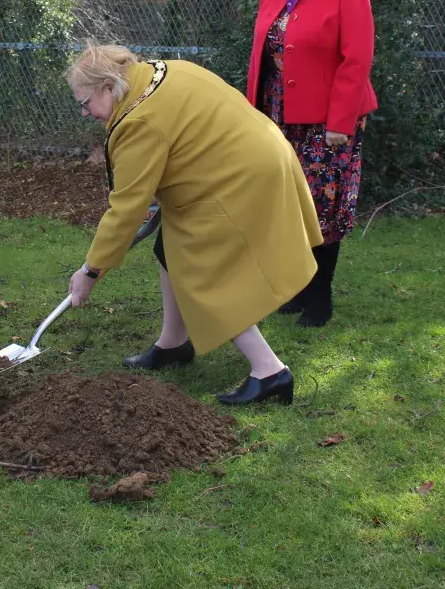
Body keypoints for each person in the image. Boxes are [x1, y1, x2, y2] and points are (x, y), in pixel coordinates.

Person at [66, 44, 322, 406]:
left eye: (85, 102)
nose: (84, 112)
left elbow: (125, 211)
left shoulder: (138, 121)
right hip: (262, 152)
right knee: (167, 248)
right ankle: (173, 343)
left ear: (108, 87)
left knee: (207, 272)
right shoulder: (163, 71)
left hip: (240, 177)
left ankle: (270, 371)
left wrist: (90, 271)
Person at [246, 0, 377, 327]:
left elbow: (357, 58)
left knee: (323, 203)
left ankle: (321, 294)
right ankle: (300, 287)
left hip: (328, 119)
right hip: (278, 112)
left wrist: (340, 122)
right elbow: (263, 54)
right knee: (286, 203)